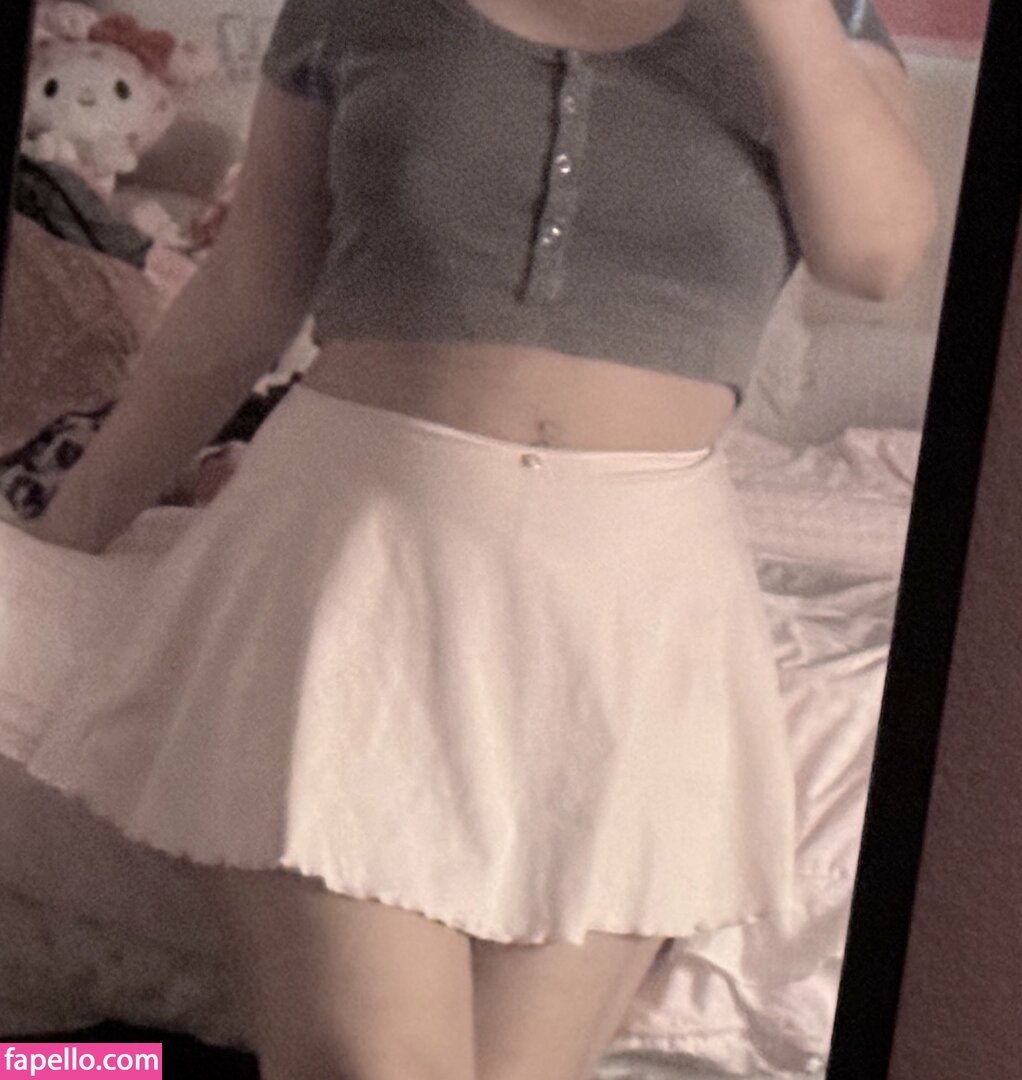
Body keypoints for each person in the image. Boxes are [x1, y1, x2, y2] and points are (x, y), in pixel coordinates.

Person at [3, 0, 936, 1077]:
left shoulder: (830, 23)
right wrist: (68, 530)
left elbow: (874, 255)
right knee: (374, 1062)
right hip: (352, 570)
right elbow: (246, 294)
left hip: (640, 624)